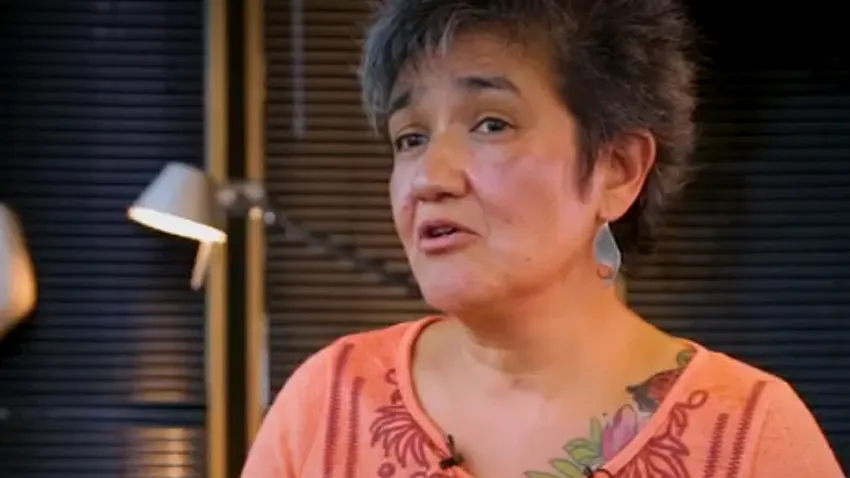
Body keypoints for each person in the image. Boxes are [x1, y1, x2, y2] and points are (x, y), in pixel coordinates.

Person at [242, 0, 845, 477]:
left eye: (491, 124)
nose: (428, 178)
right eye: (410, 138)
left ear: (618, 169)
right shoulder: (329, 402)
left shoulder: (748, 433)